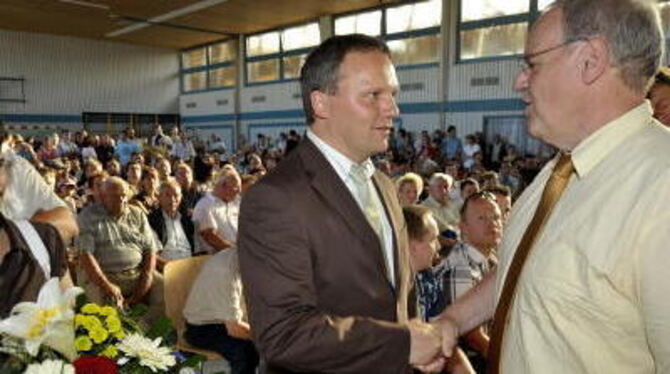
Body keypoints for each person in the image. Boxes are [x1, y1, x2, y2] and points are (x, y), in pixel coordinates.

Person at [437, 1, 670, 373]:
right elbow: (525, 270)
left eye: (533, 64)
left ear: (590, 61)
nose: (520, 81)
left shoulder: (661, 189)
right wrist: (451, 322)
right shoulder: (558, 172)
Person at [238, 34, 443, 374]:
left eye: (392, 94)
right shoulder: (276, 198)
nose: (393, 108)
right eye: (373, 95)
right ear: (321, 104)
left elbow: (395, 297)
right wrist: (403, 344)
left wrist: (414, 349)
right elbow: (282, 334)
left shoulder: (382, 184)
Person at [78, 177, 162, 321]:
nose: (123, 200)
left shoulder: (137, 214)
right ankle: (117, 339)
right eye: (116, 197)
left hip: (137, 273)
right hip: (103, 276)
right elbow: (86, 255)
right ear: (103, 198)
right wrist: (106, 285)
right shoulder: (88, 216)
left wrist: (146, 279)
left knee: (167, 292)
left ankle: (145, 334)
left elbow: (150, 250)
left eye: (124, 195)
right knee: (101, 311)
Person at [183, 248, 259, 374]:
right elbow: (235, 329)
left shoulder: (252, 260)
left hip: (232, 320)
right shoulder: (224, 271)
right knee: (247, 353)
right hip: (203, 328)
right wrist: (269, 339)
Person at [191, 168, 241, 255]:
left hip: (237, 253)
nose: (239, 191)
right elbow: (211, 238)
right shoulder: (205, 205)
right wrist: (235, 252)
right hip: (216, 257)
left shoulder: (235, 202)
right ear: (223, 186)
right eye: (236, 187)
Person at [148, 180, 194, 270]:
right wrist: (173, 268)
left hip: (190, 266)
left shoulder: (187, 220)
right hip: (167, 269)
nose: (172, 199)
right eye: (167, 195)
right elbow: (153, 255)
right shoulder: (152, 220)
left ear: (181, 197)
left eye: (176, 195)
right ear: (159, 198)